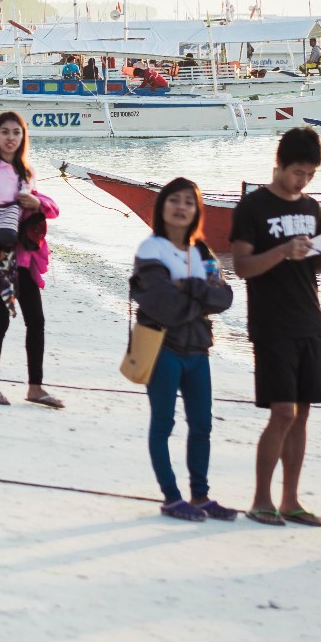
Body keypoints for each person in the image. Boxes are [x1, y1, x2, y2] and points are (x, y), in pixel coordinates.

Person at [229, 125, 321, 527]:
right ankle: (261, 499)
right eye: (298, 172)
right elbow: (243, 267)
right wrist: (281, 250)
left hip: (310, 320)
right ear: (279, 165)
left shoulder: (311, 208)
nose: (303, 180)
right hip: (271, 321)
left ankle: (291, 500)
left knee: (302, 414)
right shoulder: (254, 207)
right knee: (281, 412)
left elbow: (316, 264)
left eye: (310, 174)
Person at [130, 178, 239, 522]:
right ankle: (172, 497)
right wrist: (201, 294)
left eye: (189, 202)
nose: (181, 207)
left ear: (197, 210)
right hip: (161, 347)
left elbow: (225, 297)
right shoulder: (151, 250)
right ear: (162, 207)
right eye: (174, 200)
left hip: (198, 350)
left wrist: (188, 288)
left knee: (202, 425)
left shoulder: (201, 252)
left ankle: (201, 496)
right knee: (163, 422)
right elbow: (165, 306)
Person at [0, 111, 62, 409]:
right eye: (5, 132)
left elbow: (40, 210)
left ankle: (35, 388)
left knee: (37, 321)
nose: (10, 138)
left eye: (16, 133)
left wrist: (36, 202)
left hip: (23, 257)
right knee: (0, 320)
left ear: (23, 137)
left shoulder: (26, 172)